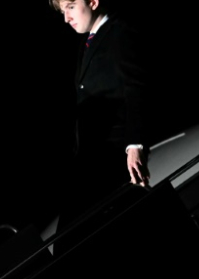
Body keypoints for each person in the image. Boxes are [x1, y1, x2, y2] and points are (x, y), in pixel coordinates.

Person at [48, 0, 152, 252]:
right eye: (63, 12)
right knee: (67, 241)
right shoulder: (87, 44)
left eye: (70, 7)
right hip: (90, 158)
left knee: (70, 241)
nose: (66, 18)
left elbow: (136, 89)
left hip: (110, 155)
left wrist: (134, 145)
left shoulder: (119, 33)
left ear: (92, 1)